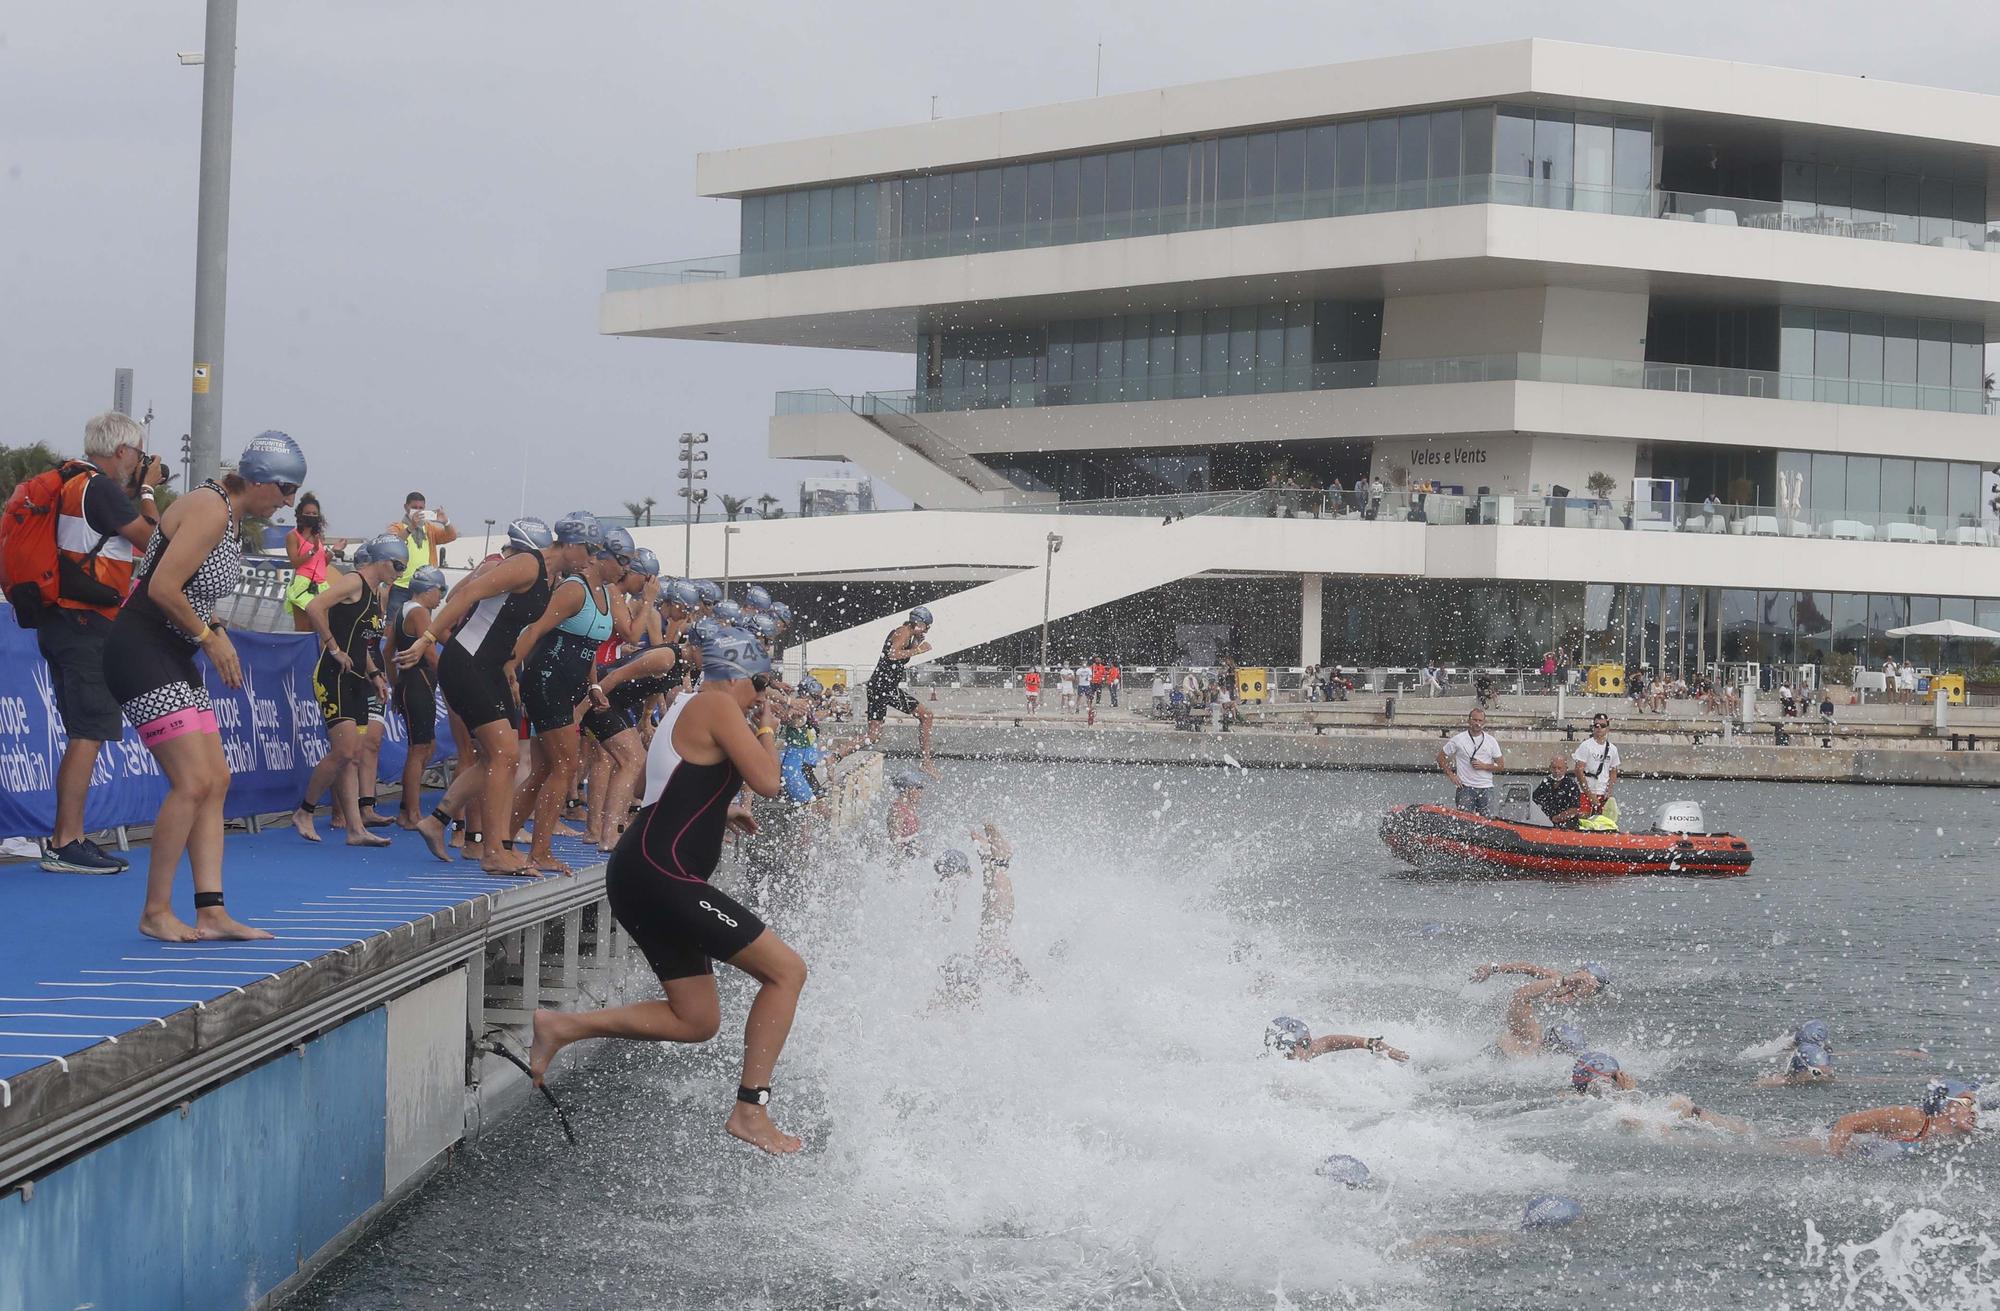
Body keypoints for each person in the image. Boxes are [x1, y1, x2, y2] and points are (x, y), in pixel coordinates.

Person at [526, 626, 806, 1155]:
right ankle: (751, 1109)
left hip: (647, 871)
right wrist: (768, 730)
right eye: (761, 681)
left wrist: (720, 812)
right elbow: (772, 782)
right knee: (787, 971)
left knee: (696, 1020)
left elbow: (661, 792)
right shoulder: (718, 705)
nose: (762, 694)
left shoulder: (685, 708)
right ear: (738, 673)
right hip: (661, 873)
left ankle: (562, 1026)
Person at [103, 430, 304, 941]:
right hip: (141, 648)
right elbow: (162, 587)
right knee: (192, 782)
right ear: (259, 481)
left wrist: (210, 633)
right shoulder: (211, 508)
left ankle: (211, 909)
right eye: (285, 492)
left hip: (170, 652)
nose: (287, 504)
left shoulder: (233, 521)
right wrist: (208, 637)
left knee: (216, 779)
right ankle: (155, 911)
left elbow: (192, 590)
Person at [397, 516, 578, 875]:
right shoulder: (527, 564)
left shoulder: (551, 578)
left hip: (492, 669)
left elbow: (515, 628)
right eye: (588, 551)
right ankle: (493, 850)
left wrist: (511, 668)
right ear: (569, 545)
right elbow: (466, 593)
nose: (590, 559)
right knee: (504, 754)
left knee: (496, 757)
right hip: (467, 663)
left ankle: (438, 819)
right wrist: (428, 638)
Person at [36, 412, 160, 874]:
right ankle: (67, 841)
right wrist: (146, 490)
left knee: (80, 732)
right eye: (136, 454)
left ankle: (69, 837)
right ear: (123, 451)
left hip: (57, 617)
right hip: (88, 621)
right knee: (88, 734)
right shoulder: (102, 489)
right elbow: (155, 542)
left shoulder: (68, 481)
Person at [509, 516, 626, 875]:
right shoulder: (573, 589)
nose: (626, 569)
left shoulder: (606, 594)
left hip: (570, 685)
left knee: (547, 767)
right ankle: (539, 851)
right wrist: (511, 670)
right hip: (546, 680)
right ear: (602, 558)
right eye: (623, 562)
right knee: (566, 766)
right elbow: (535, 630)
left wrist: (592, 686)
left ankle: (503, 840)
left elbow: (588, 649)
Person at [290, 535, 407, 845]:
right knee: (343, 751)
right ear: (382, 561)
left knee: (352, 754)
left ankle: (355, 830)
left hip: (356, 677)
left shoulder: (375, 593)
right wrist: (332, 647)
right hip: (333, 676)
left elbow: (361, 644)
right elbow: (315, 607)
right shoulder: (354, 583)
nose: (399, 572)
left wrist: (375, 675)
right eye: (397, 565)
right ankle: (305, 811)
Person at [932, 824, 1034, 1006]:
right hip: (991, 958)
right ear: (966, 871)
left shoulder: (938, 894)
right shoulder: (963, 885)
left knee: (994, 923)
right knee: (995, 923)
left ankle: (995, 862)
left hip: (976, 961)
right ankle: (996, 862)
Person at [390, 565, 447, 830]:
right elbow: (431, 655)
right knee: (419, 749)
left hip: (408, 683)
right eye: (441, 590)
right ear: (429, 589)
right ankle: (410, 813)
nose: (441, 597)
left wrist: (395, 684)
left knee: (427, 747)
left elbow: (388, 650)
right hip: (418, 683)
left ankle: (407, 808)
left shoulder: (402, 610)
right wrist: (453, 682)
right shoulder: (420, 613)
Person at [1809, 1079, 1980, 1158]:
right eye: (1966, 1102)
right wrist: (1835, 1161)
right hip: (1821, 1145)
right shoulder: (1913, 1118)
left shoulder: (1955, 1138)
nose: (1973, 1111)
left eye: (1974, 1105)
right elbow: (1847, 1122)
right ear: (1943, 1103)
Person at [1472, 960, 1609, 1056]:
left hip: (1526, 1033)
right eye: (1585, 981)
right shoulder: (1558, 980)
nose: (1592, 989)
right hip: (1520, 1020)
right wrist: (1494, 968)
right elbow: (1527, 968)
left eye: (1596, 988)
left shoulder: (1595, 1002)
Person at [862, 606, 936, 770]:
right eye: (926, 626)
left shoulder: (907, 634)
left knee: (873, 735)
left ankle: (836, 755)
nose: (927, 630)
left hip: (880, 686)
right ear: (918, 623)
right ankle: (926, 762)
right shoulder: (903, 632)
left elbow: (898, 656)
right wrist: (918, 650)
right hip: (885, 687)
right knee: (926, 716)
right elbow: (893, 654)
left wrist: (916, 643)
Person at [383, 490, 458, 621]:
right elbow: (394, 542)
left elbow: (451, 536)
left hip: (423, 588)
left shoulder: (429, 528)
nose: (417, 511)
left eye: (421, 508)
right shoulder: (397, 526)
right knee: (393, 624)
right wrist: (411, 527)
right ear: (406, 507)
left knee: (420, 625)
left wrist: (445, 522)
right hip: (400, 586)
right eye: (414, 508)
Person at [281, 492, 348, 633]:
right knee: (303, 628)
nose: (311, 516)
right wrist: (313, 550)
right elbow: (294, 562)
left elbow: (322, 562)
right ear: (300, 514)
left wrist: (334, 550)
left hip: (320, 584)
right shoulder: (293, 536)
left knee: (321, 628)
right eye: (308, 513)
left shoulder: (319, 536)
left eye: (314, 513)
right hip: (303, 583)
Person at [1438, 707, 1503, 814]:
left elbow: (1501, 766)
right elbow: (1440, 757)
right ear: (1469, 721)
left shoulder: (1491, 741)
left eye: (1480, 721)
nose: (1477, 723)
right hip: (1465, 788)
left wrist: (1484, 766)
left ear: (1484, 722)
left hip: (1486, 788)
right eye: (1475, 720)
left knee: (1488, 824)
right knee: (1464, 822)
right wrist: (1451, 775)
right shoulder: (1458, 739)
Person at [1264, 1016, 1411, 1063]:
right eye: (1305, 1042)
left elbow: (1331, 1041)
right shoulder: (1272, 1072)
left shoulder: (1300, 1053)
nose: (1311, 1046)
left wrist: (1375, 1044)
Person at [1571, 712, 1620, 827]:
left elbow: (1613, 771)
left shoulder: (1612, 749)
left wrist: (1609, 790)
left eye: (1602, 726)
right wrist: (1590, 794)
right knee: (1583, 820)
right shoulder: (1586, 746)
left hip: (1602, 793)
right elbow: (1579, 771)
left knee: (1602, 823)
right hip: (1585, 792)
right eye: (1596, 725)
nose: (1599, 728)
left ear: (1607, 729)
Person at [1531, 754, 1585, 827]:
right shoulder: (1546, 782)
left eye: (1559, 768)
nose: (1556, 771)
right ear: (1550, 768)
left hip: (1566, 824)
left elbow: (1574, 810)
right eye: (1554, 768)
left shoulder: (1571, 785)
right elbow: (1534, 801)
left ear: (1566, 769)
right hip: (1545, 823)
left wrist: (1557, 818)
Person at [886, 767, 927, 860]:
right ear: (908, 789)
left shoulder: (909, 809)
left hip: (909, 859)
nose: (922, 793)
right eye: (919, 788)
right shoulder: (898, 810)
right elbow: (895, 841)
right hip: (901, 862)